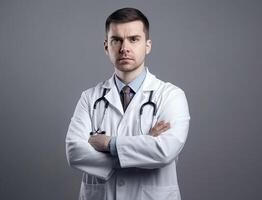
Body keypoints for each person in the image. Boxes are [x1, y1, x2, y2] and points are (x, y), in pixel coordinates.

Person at [66, 7, 190, 200]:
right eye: (117, 40)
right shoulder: (89, 98)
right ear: (107, 46)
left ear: (147, 45)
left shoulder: (171, 95)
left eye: (134, 39)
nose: (125, 48)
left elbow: (165, 150)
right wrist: (143, 144)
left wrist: (109, 144)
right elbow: (74, 152)